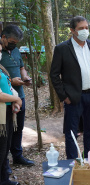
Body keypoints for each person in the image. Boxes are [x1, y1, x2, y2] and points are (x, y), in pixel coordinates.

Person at [50, 16, 90, 159]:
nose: (85, 31)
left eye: (86, 28)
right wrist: (64, 96)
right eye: (81, 28)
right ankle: (73, 163)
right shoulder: (62, 49)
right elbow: (54, 75)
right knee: (71, 133)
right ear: (72, 30)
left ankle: (89, 160)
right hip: (73, 98)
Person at [0, 25, 34, 170]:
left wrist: (25, 76)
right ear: (3, 38)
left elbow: (21, 67)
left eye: (16, 43)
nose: (14, 45)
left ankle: (17, 155)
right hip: (5, 99)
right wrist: (11, 81)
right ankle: (4, 162)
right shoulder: (0, 52)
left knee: (18, 127)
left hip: (19, 95)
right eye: (12, 42)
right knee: (5, 132)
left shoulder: (16, 51)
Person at [0, 41, 22, 185]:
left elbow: (7, 85)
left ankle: (3, 178)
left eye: (0, 49)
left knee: (5, 147)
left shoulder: (1, 68)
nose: (0, 52)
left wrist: (15, 100)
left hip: (7, 112)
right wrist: (16, 98)